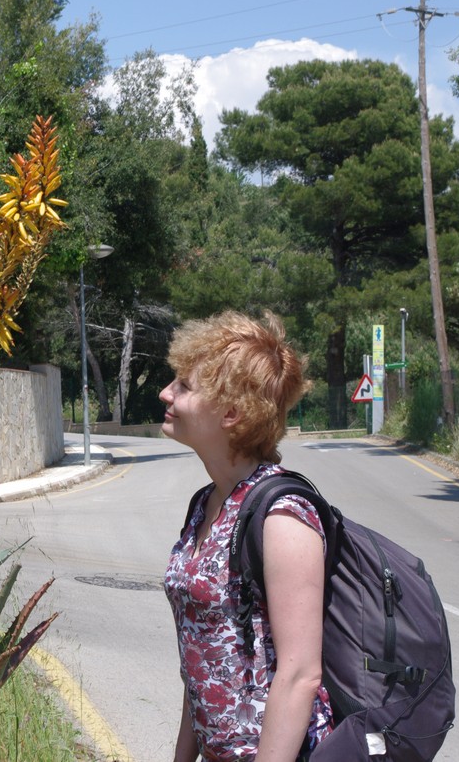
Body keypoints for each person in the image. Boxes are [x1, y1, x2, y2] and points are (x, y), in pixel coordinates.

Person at [160, 310, 331, 762]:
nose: (166, 393)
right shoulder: (206, 504)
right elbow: (203, 657)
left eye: (184, 386)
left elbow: (300, 676)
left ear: (232, 414)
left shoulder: (283, 518)